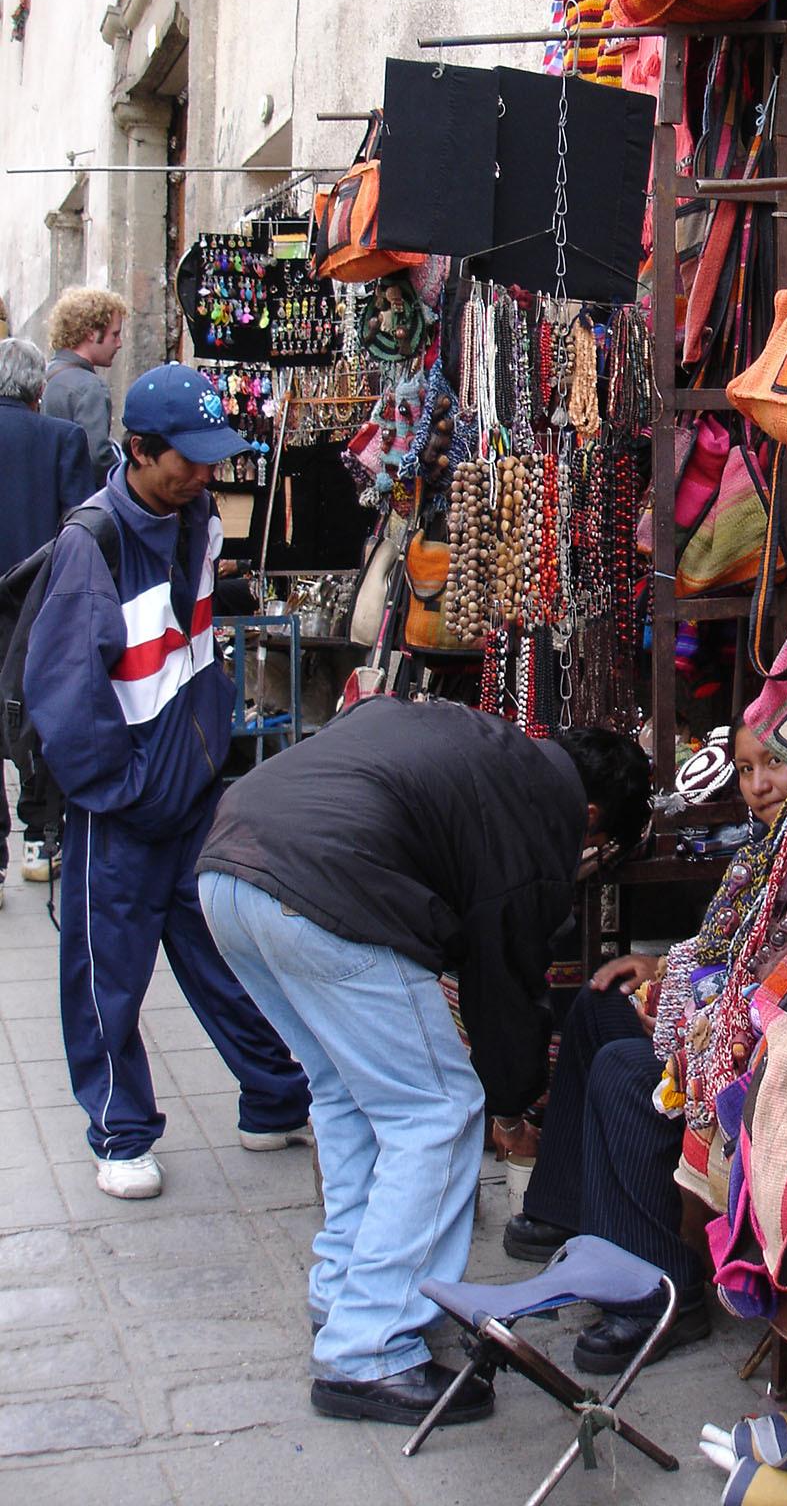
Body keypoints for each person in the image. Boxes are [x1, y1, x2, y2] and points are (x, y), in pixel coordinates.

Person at [196, 702, 652, 1429]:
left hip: (230, 869)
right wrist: (510, 1101)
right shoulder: (537, 817)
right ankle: (368, 1347)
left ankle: (345, 1289)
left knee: (349, 1096)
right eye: (600, 847)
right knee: (437, 1113)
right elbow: (504, 986)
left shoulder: (487, 747)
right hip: (322, 888)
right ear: (591, 817)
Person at [24, 364, 311, 1201]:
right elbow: (66, 693)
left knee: (223, 951)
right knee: (107, 969)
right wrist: (123, 788)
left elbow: (193, 642)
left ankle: (273, 1097)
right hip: (125, 799)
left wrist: (200, 746)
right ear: (140, 451)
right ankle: (120, 1132)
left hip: (187, 783)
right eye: (187, 460)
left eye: (211, 459)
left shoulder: (196, 519)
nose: (203, 474)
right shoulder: (94, 542)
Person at [504, 717, 787, 1376]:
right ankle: (565, 1207)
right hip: (714, 1019)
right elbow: (722, 954)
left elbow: (775, 978)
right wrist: (661, 971)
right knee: (597, 1005)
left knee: (624, 1067)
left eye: (772, 765)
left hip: (753, 1054)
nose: (757, 786)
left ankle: (660, 1290)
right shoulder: (761, 851)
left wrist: (685, 1007)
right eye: (746, 770)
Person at [0, 338, 92, 900]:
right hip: (35, 598)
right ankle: (39, 839)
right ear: (40, 388)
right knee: (38, 711)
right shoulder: (63, 438)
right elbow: (79, 526)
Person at [42, 285, 127, 484]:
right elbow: (97, 457)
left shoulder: (46, 375)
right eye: (114, 334)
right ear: (91, 334)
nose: (119, 343)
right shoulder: (89, 387)